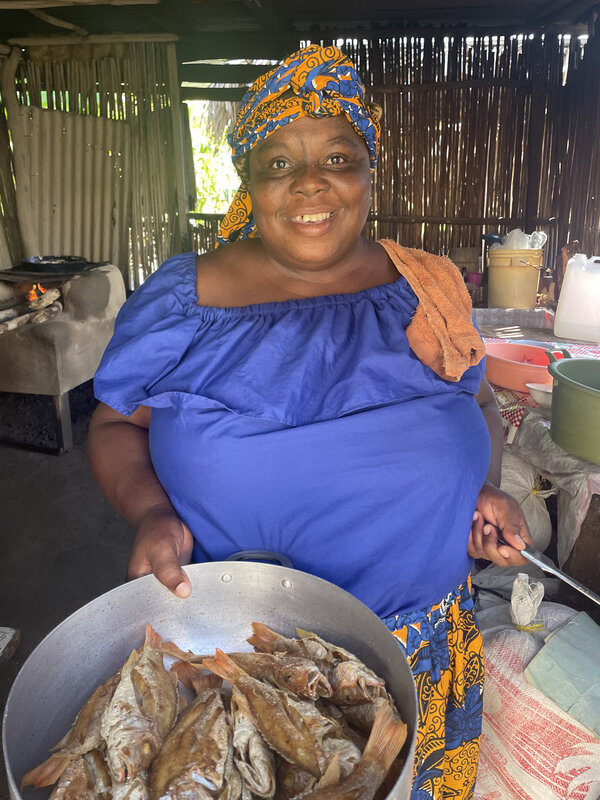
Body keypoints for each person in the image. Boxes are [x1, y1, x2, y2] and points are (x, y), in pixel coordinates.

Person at [89, 44, 533, 800]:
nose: (310, 183)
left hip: (425, 647)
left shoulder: (427, 287)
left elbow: (480, 403)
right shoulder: (184, 300)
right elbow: (114, 427)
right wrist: (152, 511)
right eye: (278, 163)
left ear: (368, 171)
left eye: (338, 155)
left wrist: (482, 491)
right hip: (251, 659)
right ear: (249, 182)